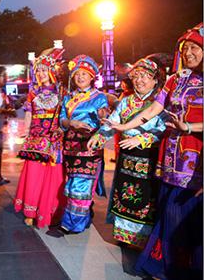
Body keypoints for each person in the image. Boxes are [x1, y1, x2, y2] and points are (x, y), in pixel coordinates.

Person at [111, 24, 203, 279]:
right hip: (171, 159)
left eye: (195, 48)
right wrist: (123, 125)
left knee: (192, 221)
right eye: (185, 49)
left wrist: (189, 127)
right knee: (170, 216)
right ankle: (166, 267)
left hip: (197, 161)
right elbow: (153, 110)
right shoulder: (175, 80)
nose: (189, 53)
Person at [88, 58, 166, 248]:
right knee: (124, 194)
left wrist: (141, 139)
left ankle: (144, 238)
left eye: (145, 77)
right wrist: (97, 138)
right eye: (137, 76)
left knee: (145, 197)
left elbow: (163, 128)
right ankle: (124, 235)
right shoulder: (126, 102)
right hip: (126, 159)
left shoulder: (161, 102)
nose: (139, 81)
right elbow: (113, 123)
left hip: (148, 158)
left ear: (155, 80)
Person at [14, 47, 66, 228]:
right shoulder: (33, 92)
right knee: (34, 175)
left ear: (52, 71)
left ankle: (49, 210)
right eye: (39, 70)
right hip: (36, 138)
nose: (41, 73)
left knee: (52, 175)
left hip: (53, 139)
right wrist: (26, 131)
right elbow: (29, 113)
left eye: (44, 69)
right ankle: (31, 211)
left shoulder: (61, 92)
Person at [59, 55, 109, 234]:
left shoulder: (99, 97)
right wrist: (71, 123)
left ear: (92, 77)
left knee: (81, 185)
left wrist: (103, 117)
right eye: (77, 74)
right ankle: (84, 217)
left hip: (89, 145)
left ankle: (73, 223)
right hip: (71, 145)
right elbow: (62, 120)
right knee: (72, 183)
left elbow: (104, 119)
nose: (80, 77)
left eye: (84, 74)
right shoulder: (68, 97)